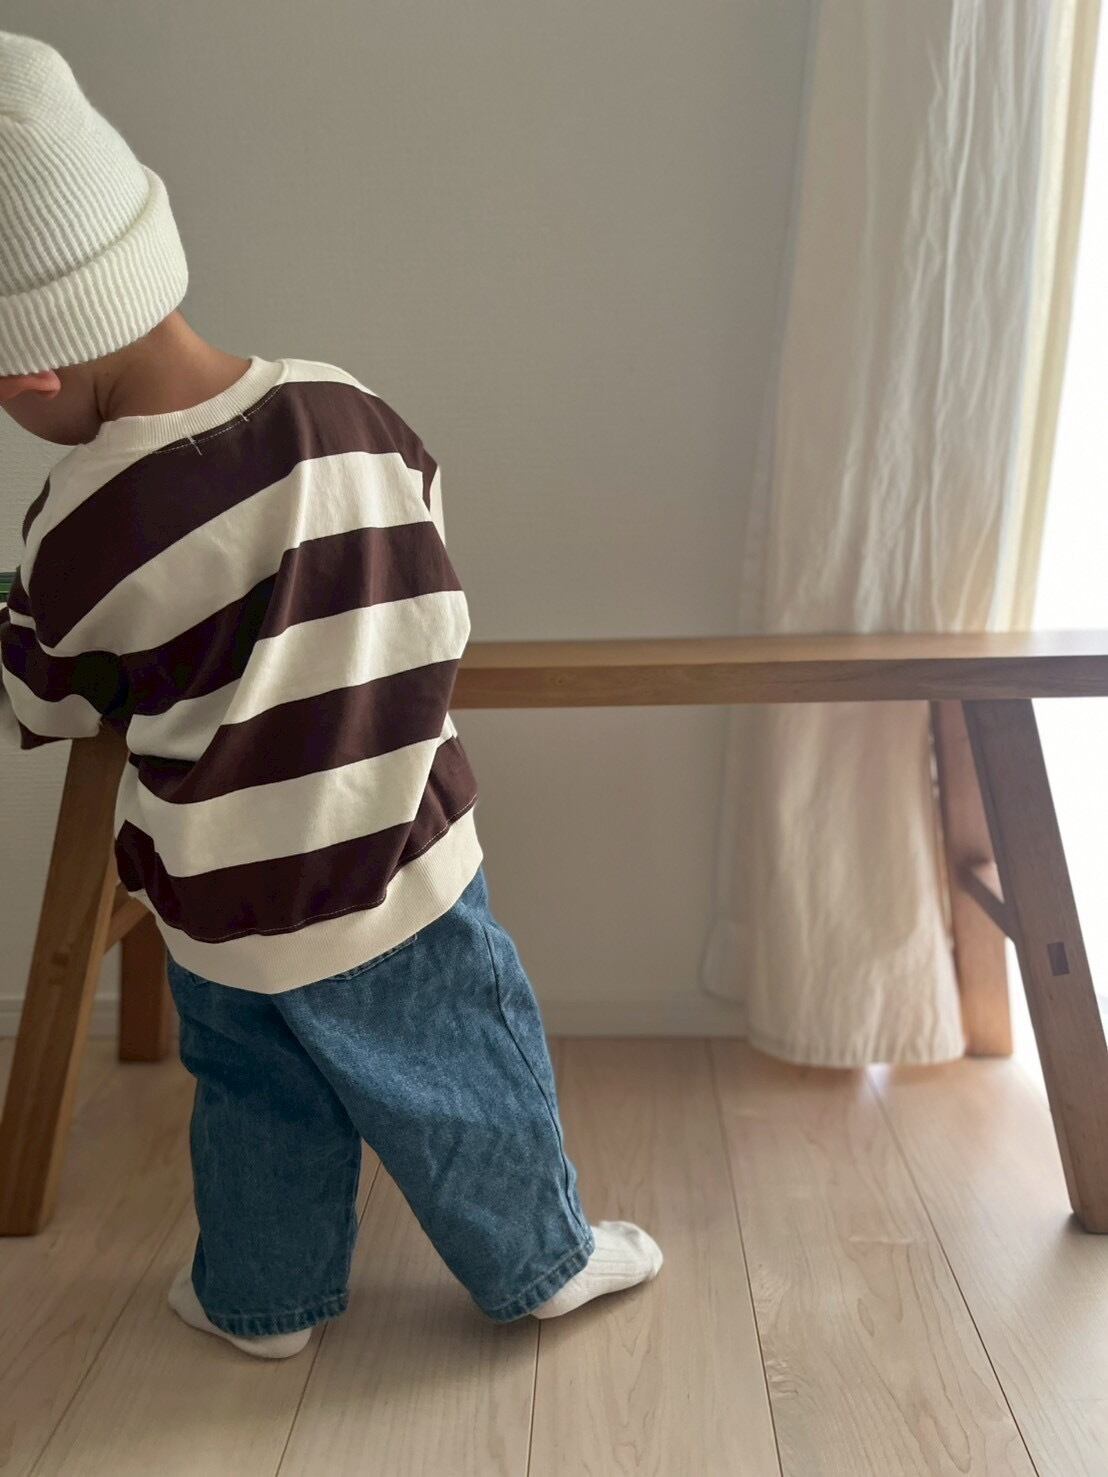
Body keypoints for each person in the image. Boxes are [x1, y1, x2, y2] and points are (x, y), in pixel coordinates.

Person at [0, 30, 662, 1359]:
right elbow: (430, 571)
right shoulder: (343, 411)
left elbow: (49, 691)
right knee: (466, 1066)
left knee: (258, 1098)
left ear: (33, 375)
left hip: (223, 905)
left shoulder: (78, 529)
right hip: (396, 860)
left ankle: (260, 1301)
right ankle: (538, 1258)